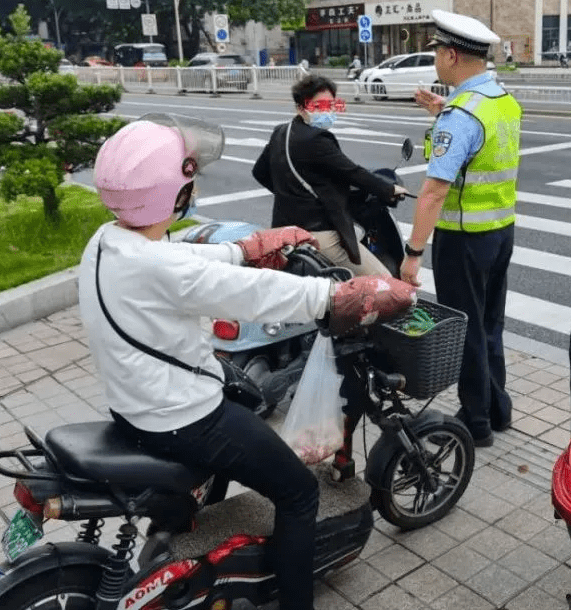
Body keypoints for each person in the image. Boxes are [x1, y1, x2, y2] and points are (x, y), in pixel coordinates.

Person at [79, 113, 416, 610]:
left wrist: (245, 248)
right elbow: (255, 293)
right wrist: (339, 294)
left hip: (134, 407)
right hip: (183, 418)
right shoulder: (159, 264)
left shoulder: (108, 241)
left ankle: (198, 539)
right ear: (174, 193)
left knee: (243, 403)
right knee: (299, 492)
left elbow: (188, 267)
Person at [399, 9, 523, 448]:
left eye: (436, 51)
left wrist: (413, 254)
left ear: (451, 55)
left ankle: (476, 424)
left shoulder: (461, 115)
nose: (434, 58)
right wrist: (442, 111)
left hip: (464, 237)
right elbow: (481, 147)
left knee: (465, 328)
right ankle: (496, 407)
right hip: (500, 230)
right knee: (490, 324)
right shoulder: (500, 100)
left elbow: (433, 192)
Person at [253, 75, 407, 277]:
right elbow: (352, 172)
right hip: (319, 236)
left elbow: (260, 172)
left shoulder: (281, 132)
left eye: (331, 105)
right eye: (318, 106)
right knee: (386, 285)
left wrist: (293, 195)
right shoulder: (317, 138)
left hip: (283, 233)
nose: (327, 111)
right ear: (301, 108)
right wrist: (389, 189)